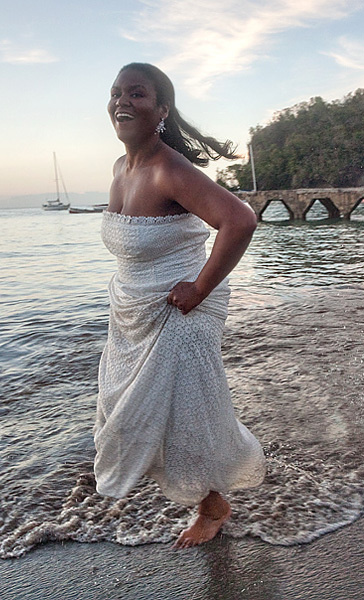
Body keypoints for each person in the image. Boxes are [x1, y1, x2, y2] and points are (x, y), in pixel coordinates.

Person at [93, 63, 266, 548]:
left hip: (179, 311)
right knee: (131, 411)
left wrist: (201, 288)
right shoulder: (120, 168)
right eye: (116, 93)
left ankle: (213, 508)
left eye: (137, 94)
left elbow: (239, 220)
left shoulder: (169, 169)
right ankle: (212, 501)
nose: (122, 101)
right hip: (132, 311)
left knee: (187, 417)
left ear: (161, 110)